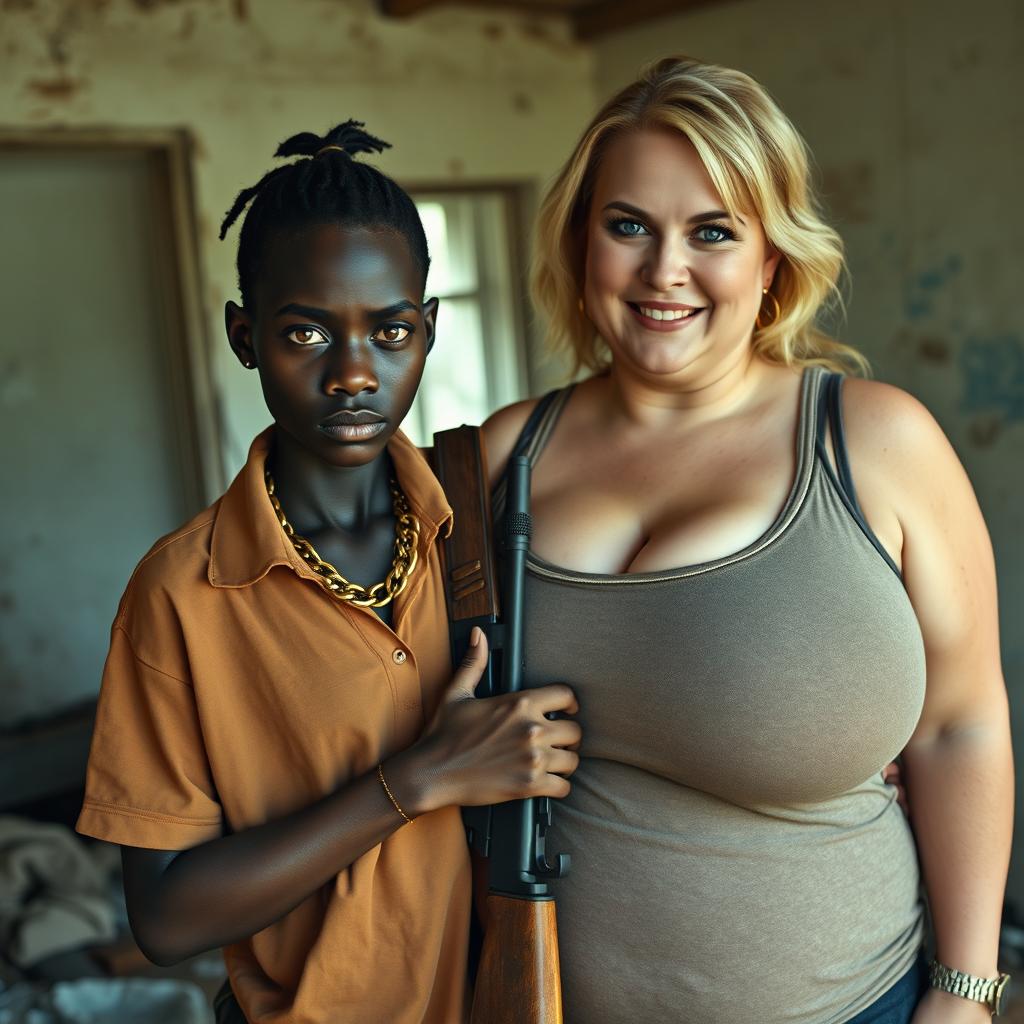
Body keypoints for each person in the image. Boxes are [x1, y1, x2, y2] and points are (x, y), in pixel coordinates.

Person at [483, 58, 1013, 1024]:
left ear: (772, 257)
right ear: (580, 238)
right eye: (628, 225)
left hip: (854, 1006)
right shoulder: (498, 457)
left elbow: (961, 723)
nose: (663, 271)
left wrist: (966, 990)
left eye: (713, 231)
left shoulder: (879, 442)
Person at [75, 120, 581, 1024]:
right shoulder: (184, 593)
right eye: (306, 333)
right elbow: (165, 918)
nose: (354, 374)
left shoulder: (487, 519)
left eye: (390, 331)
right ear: (244, 336)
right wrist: (416, 780)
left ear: (428, 331)